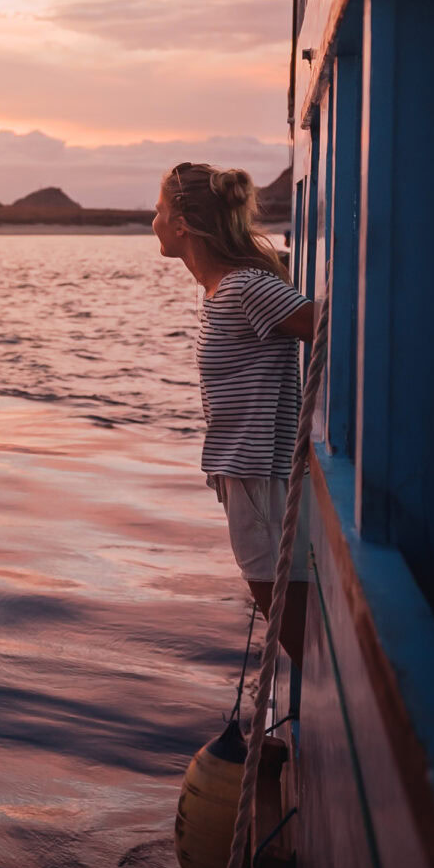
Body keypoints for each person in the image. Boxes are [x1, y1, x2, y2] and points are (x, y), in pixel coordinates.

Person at [152, 162, 315, 666]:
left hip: (258, 474)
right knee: (281, 607)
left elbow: (329, 324)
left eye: (158, 210)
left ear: (181, 223)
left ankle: (326, 703)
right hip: (242, 472)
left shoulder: (245, 288)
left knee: (291, 621)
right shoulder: (220, 292)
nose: (152, 221)